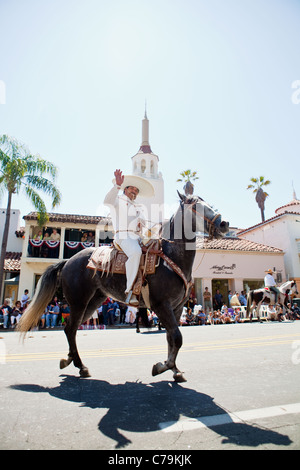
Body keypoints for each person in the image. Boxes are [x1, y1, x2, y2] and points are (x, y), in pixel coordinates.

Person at [104, 169, 154, 306]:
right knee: (136, 252)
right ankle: (130, 290)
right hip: (123, 236)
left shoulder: (138, 207)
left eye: (137, 190)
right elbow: (107, 201)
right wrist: (117, 186)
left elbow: (145, 224)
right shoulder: (118, 200)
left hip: (138, 237)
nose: (135, 191)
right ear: (125, 189)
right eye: (132, 188)